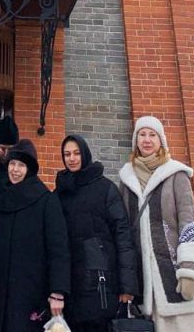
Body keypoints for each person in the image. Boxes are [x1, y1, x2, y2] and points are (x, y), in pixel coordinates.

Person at [118, 116, 194, 331]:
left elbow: (190, 222)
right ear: (135, 141)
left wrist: (190, 270)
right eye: (142, 135)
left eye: (152, 135)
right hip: (144, 284)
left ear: (161, 140)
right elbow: (124, 231)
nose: (147, 140)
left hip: (176, 276)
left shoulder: (176, 175)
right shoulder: (126, 179)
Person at [0, 139, 70, 332]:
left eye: (21, 165)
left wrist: (57, 292)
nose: (15, 170)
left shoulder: (46, 201)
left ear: (30, 169)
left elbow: (58, 249)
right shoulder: (0, 200)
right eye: (12, 163)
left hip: (30, 295)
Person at [55, 134, 137, 332]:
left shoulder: (105, 189)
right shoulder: (59, 193)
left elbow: (123, 237)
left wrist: (127, 287)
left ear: (85, 154)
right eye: (67, 154)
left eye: (76, 153)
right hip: (70, 287)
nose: (72, 158)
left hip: (102, 286)